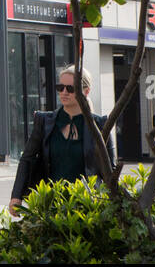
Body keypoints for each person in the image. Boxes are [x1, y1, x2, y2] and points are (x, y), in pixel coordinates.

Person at [9, 66, 115, 215]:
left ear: (86, 91)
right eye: (60, 87)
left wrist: (117, 203)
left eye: (70, 88)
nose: (64, 92)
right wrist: (16, 196)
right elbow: (27, 159)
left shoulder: (99, 125)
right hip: (50, 203)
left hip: (87, 206)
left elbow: (111, 169)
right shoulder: (44, 121)